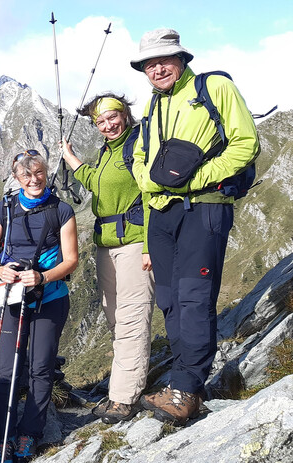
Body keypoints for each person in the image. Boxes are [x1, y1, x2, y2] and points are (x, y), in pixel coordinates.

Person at [129, 28, 259, 425]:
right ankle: (182, 383)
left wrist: (196, 178)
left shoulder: (213, 87)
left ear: (182, 59)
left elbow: (245, 142)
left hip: (204, 207)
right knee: (169, 299)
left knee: (194, 296)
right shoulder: (154, 106)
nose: (157, 68)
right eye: (150, 64)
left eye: (164, 59)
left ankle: (186, 391)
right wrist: (149, 181)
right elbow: (140, 158)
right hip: (162, 215)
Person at [61, 93, 155, 424]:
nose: (107, 124)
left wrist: (148, 245)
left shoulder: (138, 145)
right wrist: (72, 161)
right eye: (100, 121)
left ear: (125, 115)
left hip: (133, 246)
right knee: (115, 319)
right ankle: (125, 387)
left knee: (131, 319)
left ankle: (123, 399)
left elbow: (150, 193)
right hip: (106, 247)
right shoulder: (107, 152)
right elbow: (97, 183)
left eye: (112, 117)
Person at [0, 151, 78, 462]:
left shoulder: (61, 210)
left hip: (49, 297)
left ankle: (29, 433)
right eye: (26, 175)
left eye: (38, 174)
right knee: (8, 368)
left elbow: (71, 259)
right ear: (17, 178)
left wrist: (42, 277)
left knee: (40, 368)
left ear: (45, 173)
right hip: (11, 296)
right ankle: (3, 433)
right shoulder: (5, 209)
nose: (34, 180)